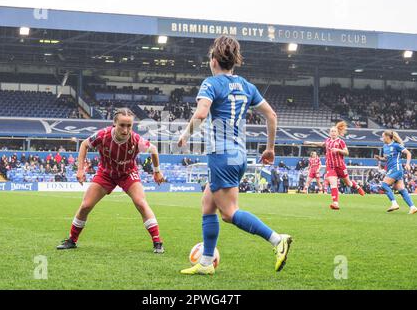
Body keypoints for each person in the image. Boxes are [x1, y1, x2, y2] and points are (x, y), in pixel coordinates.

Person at [177, 36, 292, 275]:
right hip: (239, 154)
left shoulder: (211, 83)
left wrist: (186, 135)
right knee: (208, 205)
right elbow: (271, 116)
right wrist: (270, 148)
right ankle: (207, 263)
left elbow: (200, 114)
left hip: (221, 155)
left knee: (229, 214)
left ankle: (277, 239)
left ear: (214, 60)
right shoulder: (247, 86)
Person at [56, 108, 167, 253]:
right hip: (106, 174)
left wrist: (157, 171)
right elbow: (84, 144)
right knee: (85, 206)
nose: (126, 130)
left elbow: (153, 150)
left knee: (141, 202)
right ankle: (72, 240)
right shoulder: (103, 135)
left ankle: (157, 242)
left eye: (129, 126)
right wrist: (80, 169)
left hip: (128, 173)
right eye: (122, 125)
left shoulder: (136, 140)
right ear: (114, 124)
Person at [304, 121, 365, 210]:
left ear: (338, 133)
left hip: (340, 166)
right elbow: (321, 144)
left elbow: (346, 152)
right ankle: (335, 203)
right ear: (329, 133)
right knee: (333, 183)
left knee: (348, 183)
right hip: (330, 166)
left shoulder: (341, 142)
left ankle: (357, 186)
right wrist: (310, 143)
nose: (333, 133)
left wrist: (338, 150)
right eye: (331, 131)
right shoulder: (328, 141)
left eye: (334, 131)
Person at [374, 130, 417, 214]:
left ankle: (394, 203)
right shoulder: (385, 146)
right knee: (401, 190)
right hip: (391, 169)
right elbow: (387, 158)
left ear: (387, 137)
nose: (382, 138)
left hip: (396, 168)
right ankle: (413, 207)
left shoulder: (396, 145)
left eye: (383, 136)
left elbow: (408, 153)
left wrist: (408, 164)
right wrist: (380, 158)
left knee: (384, 184)